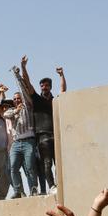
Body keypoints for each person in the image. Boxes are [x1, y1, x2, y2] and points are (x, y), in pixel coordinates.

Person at [15, 57, 62, 194]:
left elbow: (63, 91)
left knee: (59, 163)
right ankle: (52, 186)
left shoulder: (55, 100)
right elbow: (27, 84)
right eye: (42, 85)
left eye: (46, 85)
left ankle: (60, 184)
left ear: (50, 87)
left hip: (56, 135)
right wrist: (23, 67)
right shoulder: (37, 99)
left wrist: (61, 76)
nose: (44, 87)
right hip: (42, 136)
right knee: (47, 163)